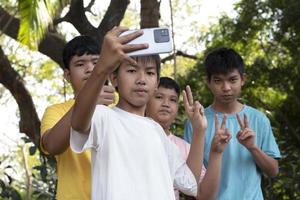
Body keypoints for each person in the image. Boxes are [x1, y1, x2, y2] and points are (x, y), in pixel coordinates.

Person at [70, 27, 231, 200]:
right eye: (131, 71)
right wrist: (101, 67)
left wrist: (199, 132)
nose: (141, 79)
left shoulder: (157, 132)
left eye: (150, 73)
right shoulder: (103, 117)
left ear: (156, 83)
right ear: (114, 78)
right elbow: (78, 124)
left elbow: (190, 183)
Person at [184, 47, 281, 199]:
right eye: (218, 81)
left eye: (232, 80)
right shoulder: (196, 123)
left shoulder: (259, 119)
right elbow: (189, 181)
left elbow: (273, 171)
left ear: (243, 79)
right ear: (208, 82)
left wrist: (253, 148)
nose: (226, 88)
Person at [40, 35, 115, 200]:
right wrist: (87, 101)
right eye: (80, 64)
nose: (90, 69)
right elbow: (51, 145)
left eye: (96, 63)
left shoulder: (121, 106)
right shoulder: (55, 111)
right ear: (67, 75)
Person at [146, 76, 233, 200]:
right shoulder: (131, 133)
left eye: (173, 100)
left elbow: (202, 196)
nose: (166, 104)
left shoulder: (185, 148)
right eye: (159, 97)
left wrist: (216, 152)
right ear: (146, 99)